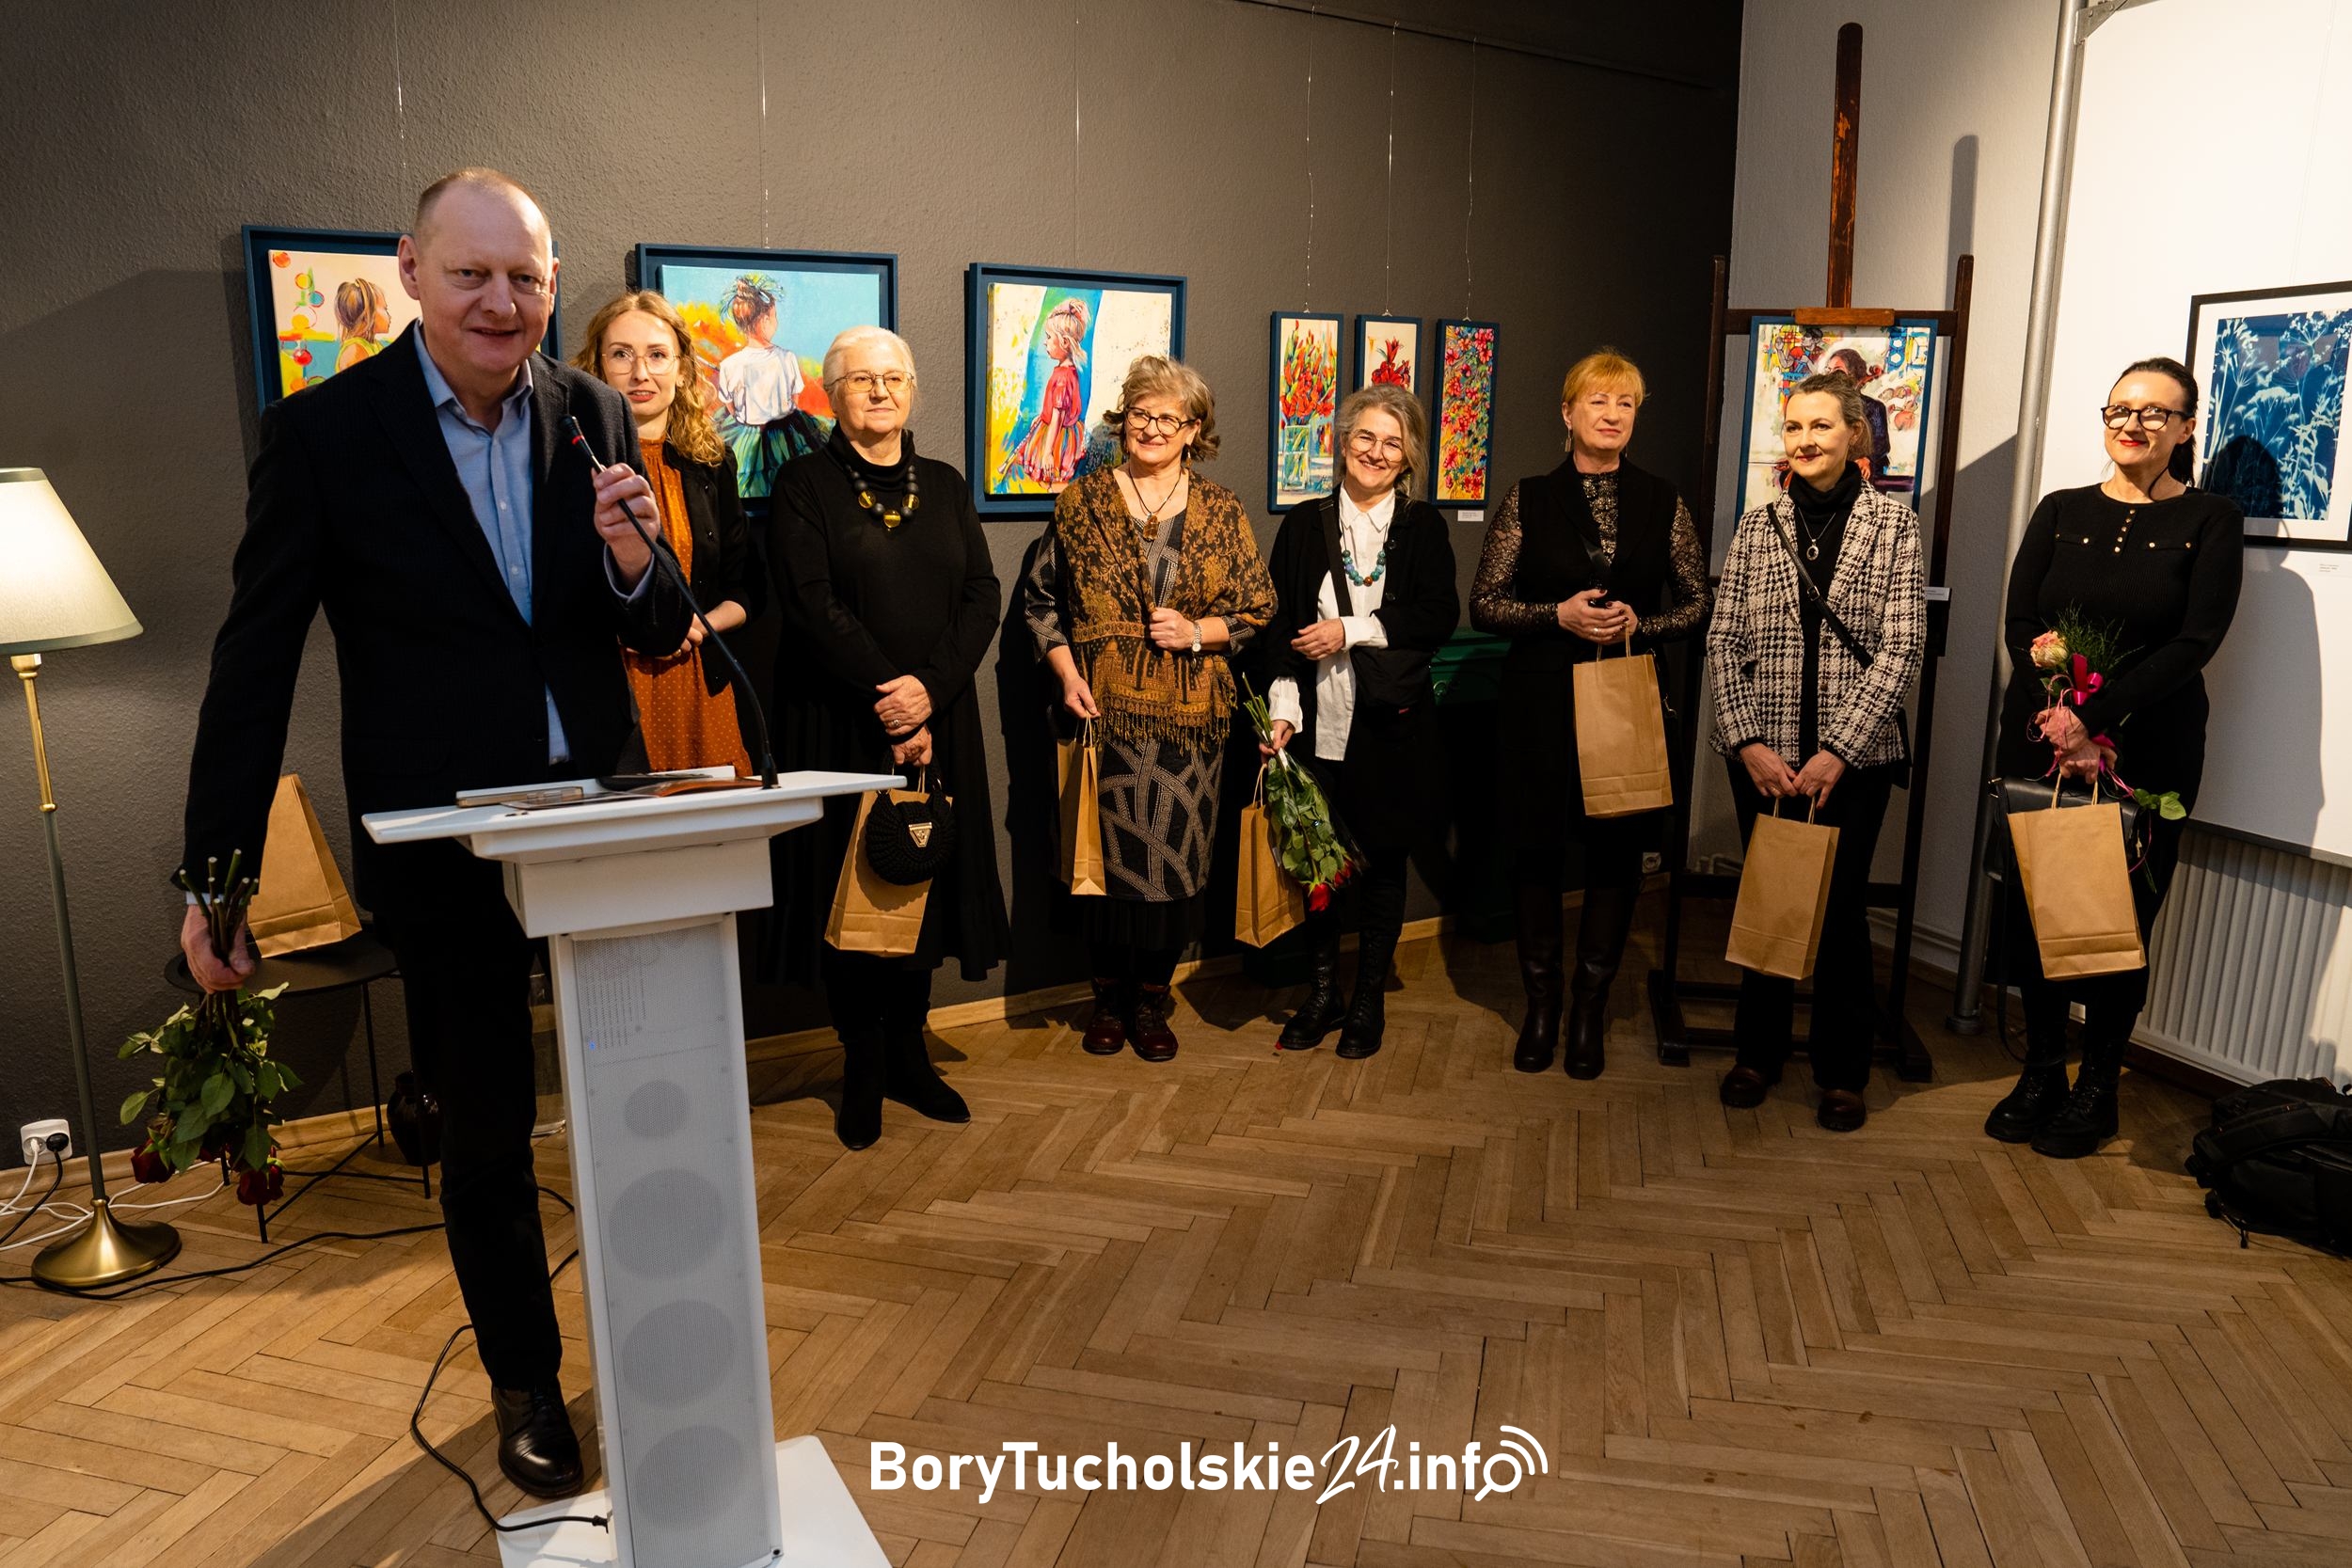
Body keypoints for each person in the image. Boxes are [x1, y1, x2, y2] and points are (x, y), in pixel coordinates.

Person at [178, 168, 688, 1498]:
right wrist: (216, 872)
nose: (501, 301)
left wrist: (638, 565)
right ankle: (526, 1379)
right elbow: (255, 659)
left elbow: (648, 631)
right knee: (488, 1127)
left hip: (601, 825)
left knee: (643, 1103)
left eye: (524, 277)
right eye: (473, 274)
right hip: (442, 846)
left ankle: (656, 1352)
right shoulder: (327, 435)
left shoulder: (595, 413)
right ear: (411, 270)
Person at [1984, 356, 2243, 1158]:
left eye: (2155, 414)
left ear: (2187, 427)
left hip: (2149, 746)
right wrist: (2061, 717)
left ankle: (2098, 1085)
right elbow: (2021, 622)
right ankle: (2040, 1071)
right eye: (2120, 410)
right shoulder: (2060, 510)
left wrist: (2096, 722)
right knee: (2035, 910)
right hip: (2043, 737)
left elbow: (2195, 641)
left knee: (2117, 919)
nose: (2132, 425)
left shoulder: (2211, 520)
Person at [768, 326, 1008, 1149]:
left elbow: (983, 592)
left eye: (894, 377)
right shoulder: (802, 484)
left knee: (925, 888)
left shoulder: (944, 485)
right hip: (841, 725)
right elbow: (808, 603)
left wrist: (930, 692)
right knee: (854, 898)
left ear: (913, 389)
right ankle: (862, 1061)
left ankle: (911, 1053)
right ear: (830, 393)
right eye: (860, 379)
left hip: (939, 725)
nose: (879, 391)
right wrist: (890, 697)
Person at [1022, 356, 1276, 1061]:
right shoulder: (1082, 502)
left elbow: (1260, 608)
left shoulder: (1222, 510)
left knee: (1170, 868)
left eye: (1169, 417)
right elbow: (1039, 601)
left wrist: (1198, 632)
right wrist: (1066, 672)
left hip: (1191, 725)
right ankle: (1106, 995)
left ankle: (1151, 1000)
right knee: (1102, 866)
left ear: (1194, 429)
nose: (1152, 428)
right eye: (1140, 414)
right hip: (1100, 716)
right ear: (1122, 420)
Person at [1470, 349, 1708, 1078]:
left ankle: (1589, 1010)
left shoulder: (1663, 499)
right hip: (1539, 700)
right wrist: (1558, 615)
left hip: (1628, 696)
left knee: (1615, 858)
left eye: (1625, 404)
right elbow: (1483, 603)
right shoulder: (1529, 498)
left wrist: (1644, 625)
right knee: (1536, 852)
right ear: (1567, 413)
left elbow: (1699, 603)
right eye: (1597, 402)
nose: (1611, 415)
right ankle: (1541, 1007)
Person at [1708, 370, 1924, 1132]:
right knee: (1769, 893)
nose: (1804, 441)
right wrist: (1748, 743)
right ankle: (1756, 1053)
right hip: (1765, 756)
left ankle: (1842, 1070)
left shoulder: (1895, 527)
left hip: (1853, 763)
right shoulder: (1756, 524)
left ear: (1854, 435)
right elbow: (1723, 639)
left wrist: (1837, 750)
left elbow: (1903, 649)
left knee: (1838, 911)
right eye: (1794, 428)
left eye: (1821, 427)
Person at [1263, 384, 1459, 1058]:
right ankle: (1323, 992)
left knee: (1380, 867)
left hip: (1392, 727)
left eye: (1392, 442)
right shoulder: (1303, 525)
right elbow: (1277, 630)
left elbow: (1437, 617)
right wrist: (1283, 712)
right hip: (1316, 724)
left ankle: (1367, 998)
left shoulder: (1423, 528)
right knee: (1319, 865)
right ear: (1340, 444)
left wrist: (1350, 628)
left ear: (1408, 457)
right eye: (1365, 437)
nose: (1376, 452)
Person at [572, 289, 761, 775]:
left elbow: (745, 588)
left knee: (715, 841)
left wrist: (696, 624)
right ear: (596, 367)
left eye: (658, 356)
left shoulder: (712, 463)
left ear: (681, 369)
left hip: (701, 686)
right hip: (614, 689)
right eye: (622, 355)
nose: (641, 374)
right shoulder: (569, 465)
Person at [715, 274, 824, 496]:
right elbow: (794, 400)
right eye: (774, 316)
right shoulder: (786, 358)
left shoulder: (730, 364)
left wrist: (745, 417)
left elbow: (729, 405)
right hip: (784, 431)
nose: (776, 322)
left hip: (750, 430)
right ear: (764, 320)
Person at [1005, 297, 1091, 489]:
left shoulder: (1063, 377)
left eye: (1049, 337)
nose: (1045, 343)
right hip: (1059, 429)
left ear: (1065, 343)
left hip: (1057, 436)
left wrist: (1047, 452)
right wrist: (1041, 416)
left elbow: (1058, 415)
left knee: (1050, 476)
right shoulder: (1067, 371)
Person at [333, 277, 391, 372]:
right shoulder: (355, 350)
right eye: (385, 308)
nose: (389, 316)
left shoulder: (375, 345)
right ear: (367, 314)